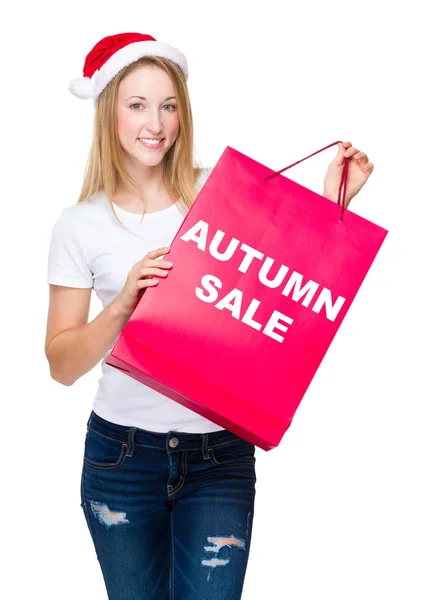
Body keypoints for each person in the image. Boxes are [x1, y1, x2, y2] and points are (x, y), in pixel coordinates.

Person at [44, 32, 373, 600]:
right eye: (138, 104)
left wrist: (333, 204)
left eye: (169, 105)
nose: (156, 122)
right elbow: (61, 364)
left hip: (219, 453)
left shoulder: (217, 194)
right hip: (122, 457)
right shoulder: (80, 225)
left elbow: (280, 283)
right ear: (109, 112)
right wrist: (124, 303)